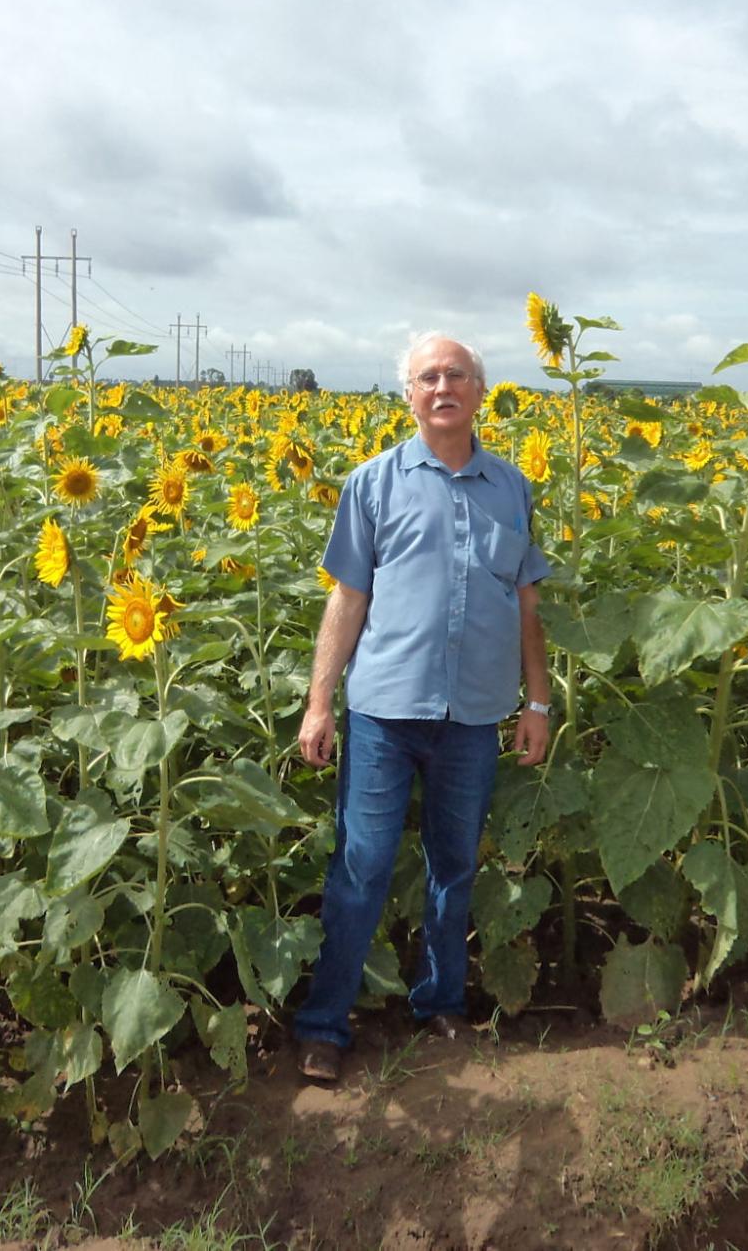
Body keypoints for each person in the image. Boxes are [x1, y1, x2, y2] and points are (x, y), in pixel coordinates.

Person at [291, 331, 552, 1083]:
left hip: (473, 715)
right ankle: (324, 1025)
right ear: (408, 394)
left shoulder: (510, 487)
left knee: (453, 867)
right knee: (361, 866)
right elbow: (347, 598)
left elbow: (526, 604)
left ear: (479, 391)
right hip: (383, 711)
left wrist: (536, 701)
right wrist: (319, 703)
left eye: (458, 375)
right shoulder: (371, 484)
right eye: (428, 376)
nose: (444, 387)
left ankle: (439, 1002)